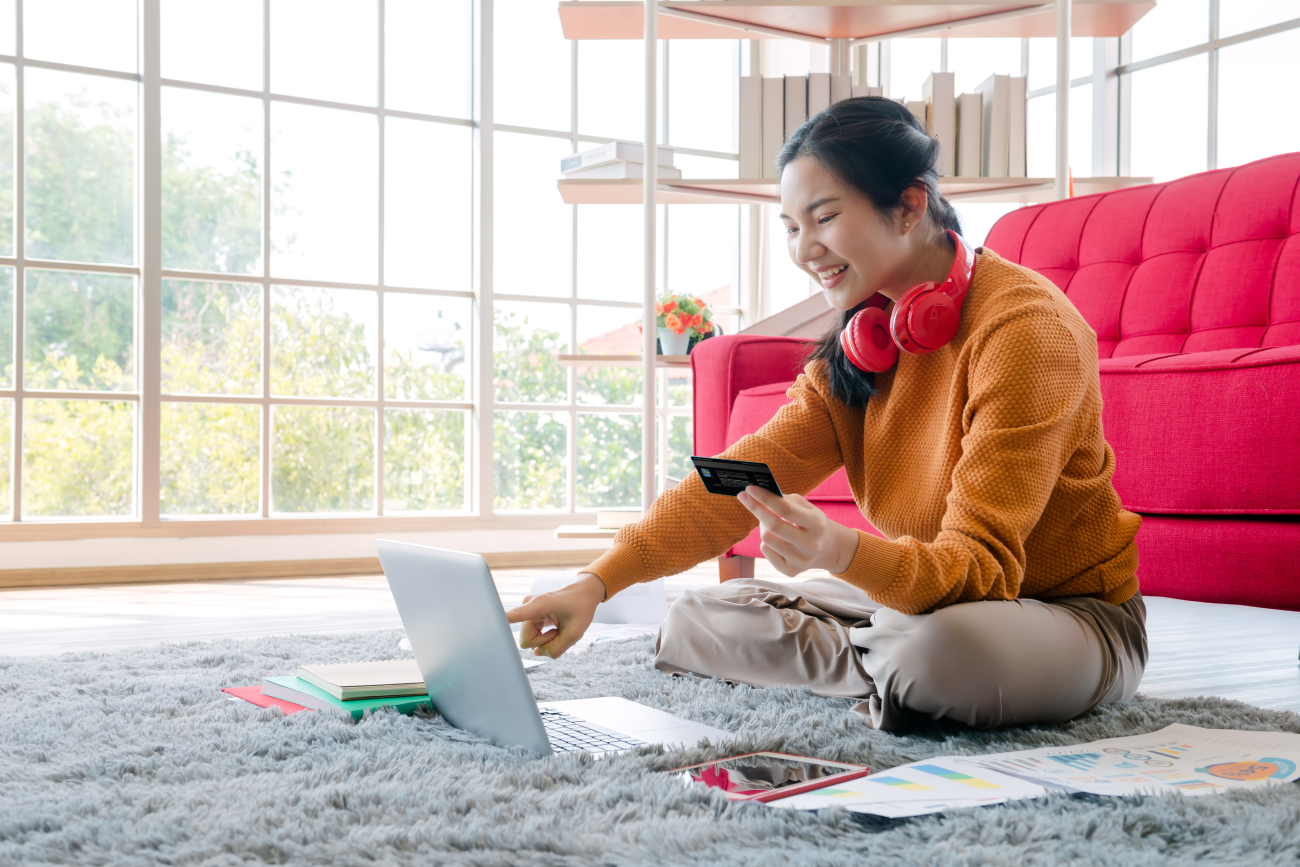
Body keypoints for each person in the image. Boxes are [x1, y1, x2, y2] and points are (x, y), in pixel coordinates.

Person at [506, 97, 1147, 732]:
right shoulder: (863, 341)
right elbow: (735, 481)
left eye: (825, 217)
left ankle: (893, 654)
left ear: (909, 206)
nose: (804, 248)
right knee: (695, 616)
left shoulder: (1025, 331)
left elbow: (981, 573)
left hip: (1066, 615)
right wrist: (595, 583)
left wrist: (841, 552)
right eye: (790, 226)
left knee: (935, 658)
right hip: (928, 602)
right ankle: (885, 654)